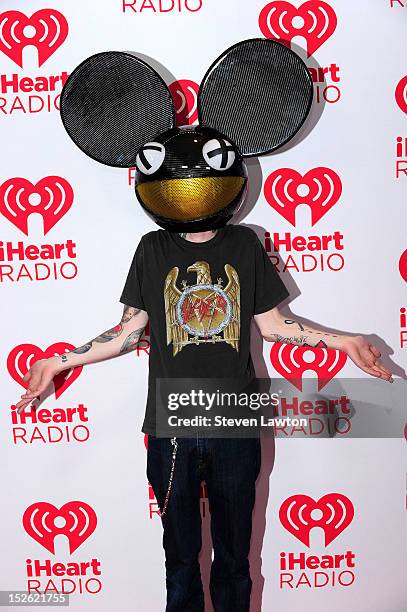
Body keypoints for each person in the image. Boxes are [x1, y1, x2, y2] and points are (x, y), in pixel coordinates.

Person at [15, 223, 393, 612]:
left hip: (234, 421)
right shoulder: (153, 246)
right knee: (180, 560)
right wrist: (57, 361)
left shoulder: (244, 243)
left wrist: (344, 342)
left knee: (234, 560)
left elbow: (273, 325)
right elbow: (129, 333)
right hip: (172, 424)